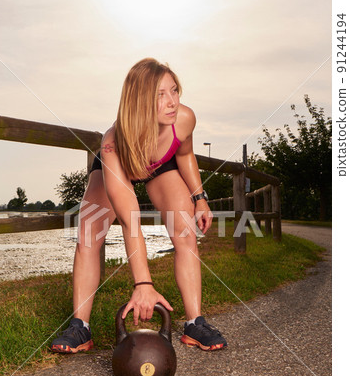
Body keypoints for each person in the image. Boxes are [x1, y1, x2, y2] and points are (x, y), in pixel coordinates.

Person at [51, 58, 227, 353]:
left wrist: (200, 198)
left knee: (185, 233)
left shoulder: (183, 119)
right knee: (89, 234)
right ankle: (80, 327)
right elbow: (130, 220)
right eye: (160, 95)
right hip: (122, 164)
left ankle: (195, 323)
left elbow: (184, 155)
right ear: (140, 100)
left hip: (161, 165)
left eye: (174, 90)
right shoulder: (112, 143)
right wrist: (143, 283)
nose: (172, 101)